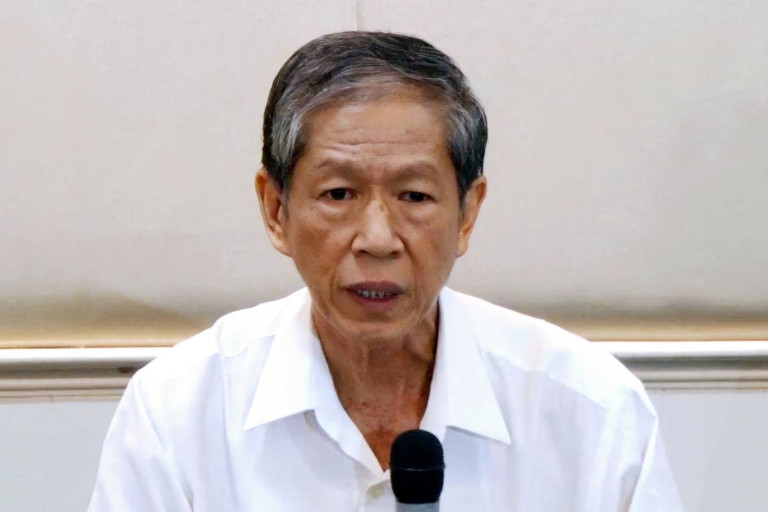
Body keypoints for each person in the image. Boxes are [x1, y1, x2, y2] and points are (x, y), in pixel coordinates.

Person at [88, 32, 683, 511]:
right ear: (276, 210)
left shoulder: (590, 410)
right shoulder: (177, 412)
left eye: (415, 196)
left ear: (467, 213)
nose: (377, 240)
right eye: (339, 193)